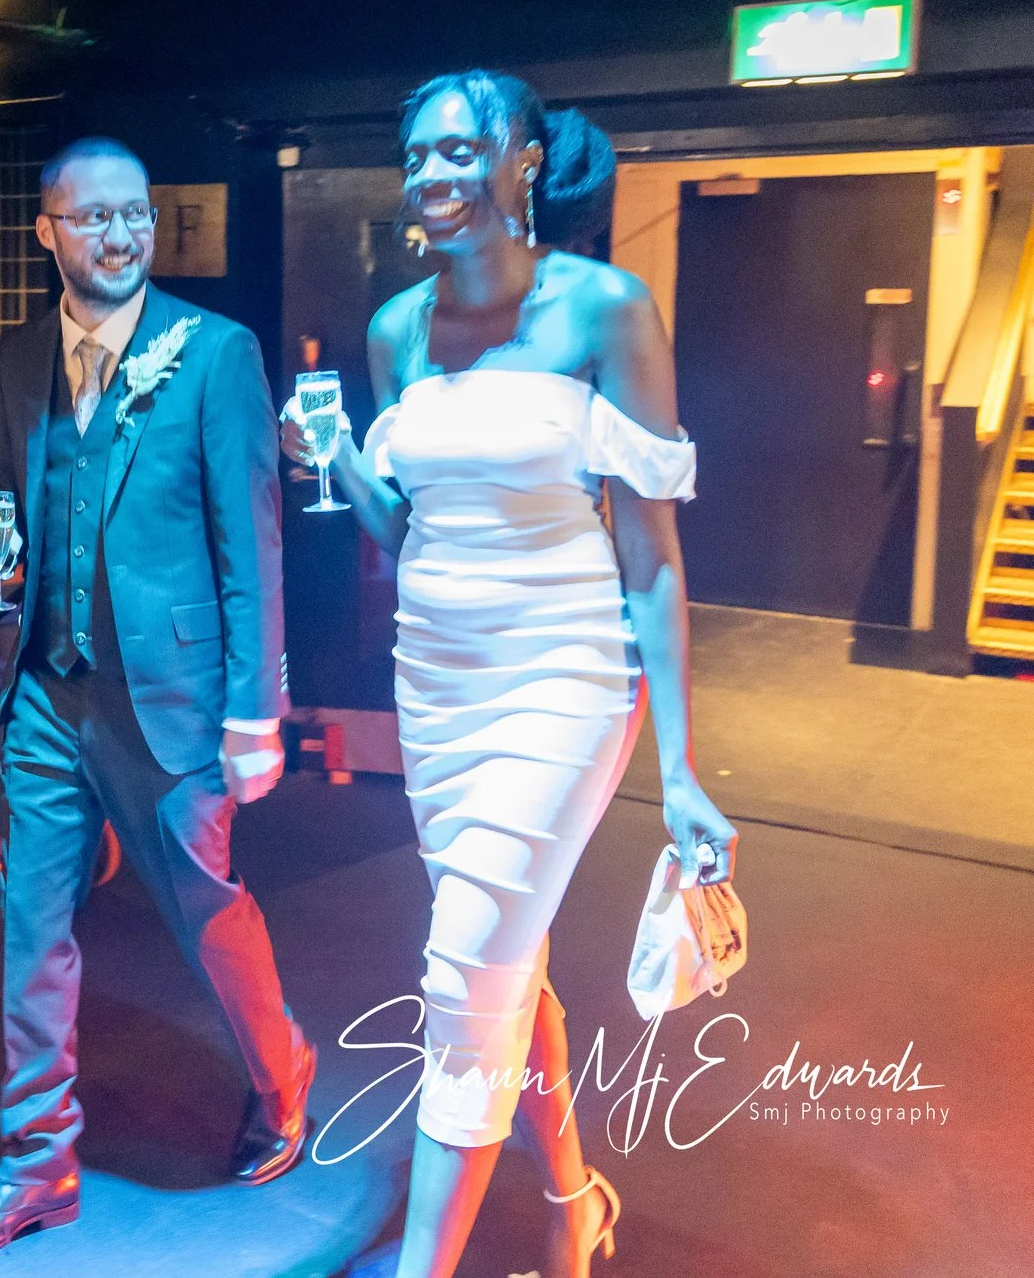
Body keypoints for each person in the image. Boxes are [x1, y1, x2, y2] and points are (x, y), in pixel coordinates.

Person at [285, 72, 738, 1278]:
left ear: (522, 158)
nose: (430, 176)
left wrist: (681, 767)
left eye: (456, 150)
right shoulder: (395, 329)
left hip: (563, 679)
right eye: (413, 155)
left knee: (464, 970)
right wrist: (335, 455)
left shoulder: (605, 308)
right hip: (436, 685)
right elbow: (403, 529)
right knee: (503, 958)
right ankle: (574, 1199)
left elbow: (651, 553)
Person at [0, 137, 313, 1263]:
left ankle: (282, 1074)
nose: (122, 234)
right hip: (47, 690)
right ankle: (36, 1162)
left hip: (173, 698)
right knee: (31, 927)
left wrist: (256, 711)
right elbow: (1, 508)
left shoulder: (216, 352)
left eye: (136, 212)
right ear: (48, 231)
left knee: (203, 909)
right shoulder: (15, 357)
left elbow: (252, 545)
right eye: (94, 217)